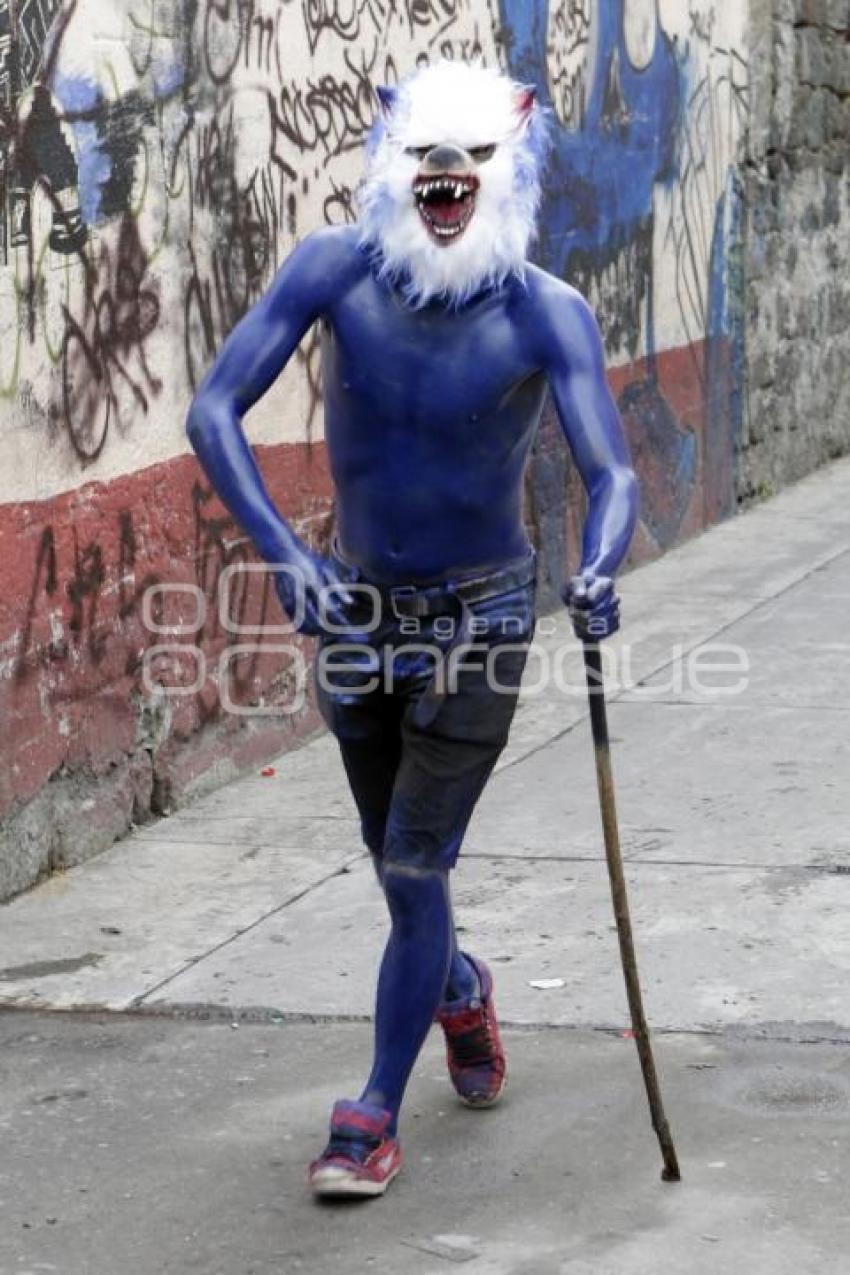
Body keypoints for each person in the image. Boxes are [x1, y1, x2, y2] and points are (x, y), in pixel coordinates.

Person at [187, 60, 638, 1199]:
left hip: (482, 616)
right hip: (355, 609)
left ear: (512, 170)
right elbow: (212, 409)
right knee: (402, 878)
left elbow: (611, 470)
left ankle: (373, 1110)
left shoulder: (548, 312)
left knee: (410, 860)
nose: (449, 178)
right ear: (395, 165)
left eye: (475, 160)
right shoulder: (331, 273)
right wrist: (287, 559)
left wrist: (596, 565)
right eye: (430, 159)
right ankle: (461, 990)